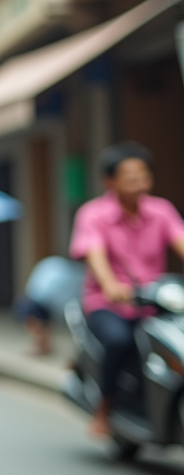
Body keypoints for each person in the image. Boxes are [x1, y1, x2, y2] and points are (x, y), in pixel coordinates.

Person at [69, 142, 184, 438]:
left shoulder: (161, 210)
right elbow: (94, 253)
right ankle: (104, 408)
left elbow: (180, 240)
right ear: (110, 181)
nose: (139, 182)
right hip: (109, 304)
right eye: (130, 177)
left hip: (156, 304)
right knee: (119, 342)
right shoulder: (93, 214)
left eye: (144, 175)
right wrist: (110, 285)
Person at [14, 256, 85, 356]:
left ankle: (42, 345)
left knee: (35, 319)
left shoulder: (73, 272)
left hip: (48, 303)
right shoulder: (60, 267)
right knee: (35, 318)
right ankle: (43, 344)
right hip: (42, 301)